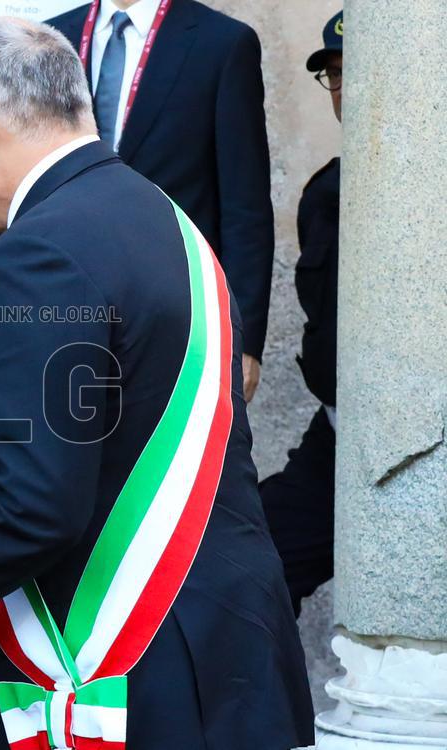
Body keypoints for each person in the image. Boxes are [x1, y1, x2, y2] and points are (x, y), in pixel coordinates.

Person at [0, 18, 315, 750]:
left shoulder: (38, 254)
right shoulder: (163, 217)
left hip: (141, 681)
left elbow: (35, 510)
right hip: (226, 658)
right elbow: (95, 469)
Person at [48, 0, 274, 402]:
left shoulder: (222, 44)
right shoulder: (47, 41)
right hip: (61, 307)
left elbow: (245, 207)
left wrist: (243, 340)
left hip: (176, 319)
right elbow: (21, 181)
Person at [261, 10, 343, 618]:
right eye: (334, 74)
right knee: (258, 556)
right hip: (340, 434)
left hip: (423, 439)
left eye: (357, 71)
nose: (343, 88)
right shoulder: (327, 194)